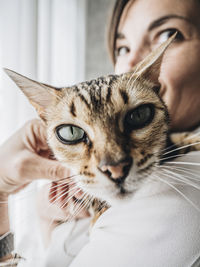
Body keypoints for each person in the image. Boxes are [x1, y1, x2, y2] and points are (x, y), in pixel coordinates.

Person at [1, 0, 200, 266]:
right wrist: (49, 219)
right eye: (122, 47)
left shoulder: (179, 190)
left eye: (166, 35)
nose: (133, 62)